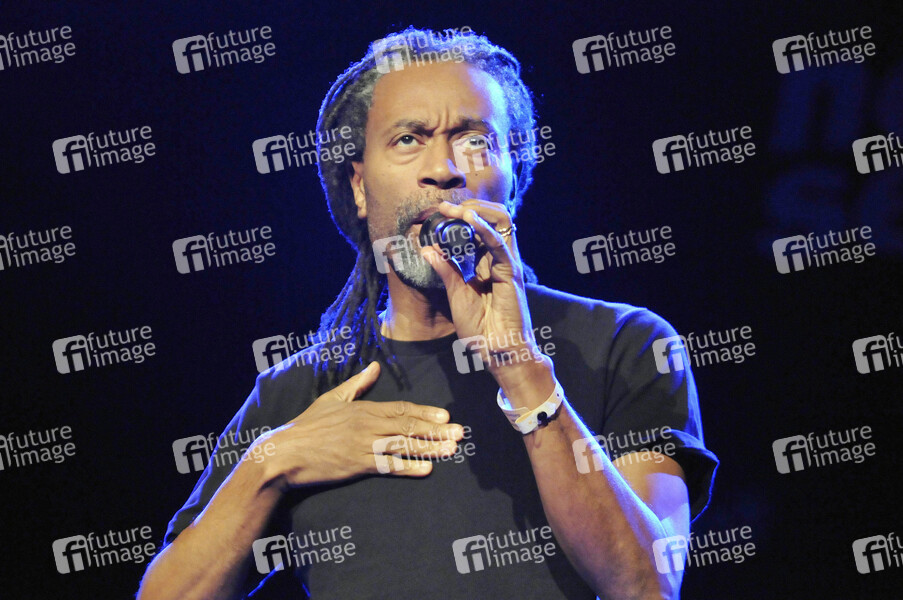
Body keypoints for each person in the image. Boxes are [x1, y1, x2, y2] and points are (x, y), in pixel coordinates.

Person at [138, 26, 717, 600]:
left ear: (514, 174)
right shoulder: (298, 393)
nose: (444, 168)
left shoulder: (623, 345)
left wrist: (523, 372)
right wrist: (275, 462)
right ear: (359, 187)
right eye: (408, 139)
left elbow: (647, 586)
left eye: (474, 140)